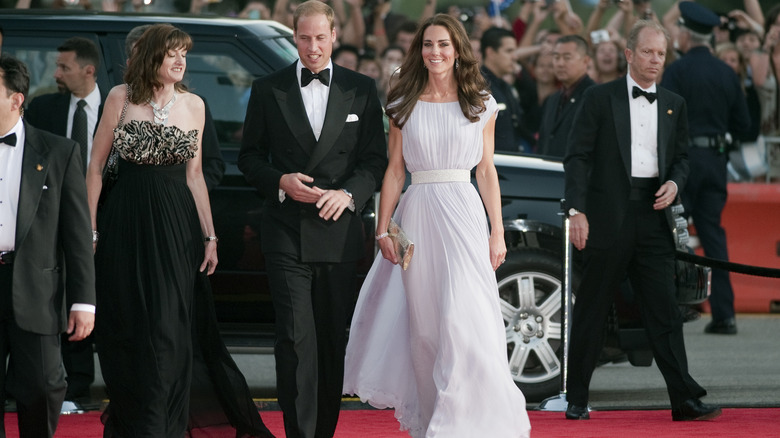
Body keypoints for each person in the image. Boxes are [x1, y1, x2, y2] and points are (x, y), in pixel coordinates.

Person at [342, 14, 531, 438]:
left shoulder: (481, 103)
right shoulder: (402, 102)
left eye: (444, 44)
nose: (436, 52)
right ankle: (432, 422)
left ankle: (467, 424)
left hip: (464, 213)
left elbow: (486, 171)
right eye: (428, 45)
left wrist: (496, 232)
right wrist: (383, 227)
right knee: (426, 330)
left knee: (468, 320)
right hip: (419, 215)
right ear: (419, 50)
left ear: (458, 49)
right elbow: (394, 171)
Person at [86, 24, 274, 437]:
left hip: (176, 228)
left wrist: (210, 237)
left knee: (170, 327)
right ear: (151, 56)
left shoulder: (195, 105)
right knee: (130, 324)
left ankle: (165, 424)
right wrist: (93, 229)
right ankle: (136, 422)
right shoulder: (120, 98)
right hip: (125, 223)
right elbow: (96, 167)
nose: (180, 61)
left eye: (183, 54)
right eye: (172, 53)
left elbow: (195, 177)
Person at [238, 1, 387, 437]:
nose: (313, 47)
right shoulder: (269, 88)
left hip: (338, 232)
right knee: (294, 336)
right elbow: (249, 157)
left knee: (328, 340)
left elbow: (375, 160)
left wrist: (348, 194)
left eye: (321, 38)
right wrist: (281, 180)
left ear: (335, 36)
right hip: (285, 229)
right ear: (294, 37)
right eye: (304, 38)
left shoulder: (361, 88)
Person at [563, 20, 721, 422]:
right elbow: (577, 156)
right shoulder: (599, 99)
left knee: (664, 310)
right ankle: (577, 397)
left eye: (661, 54)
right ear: (629, 54)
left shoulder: (673, 102)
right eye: (648, 52)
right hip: (606, 217)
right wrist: (576, 211)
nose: (655, 60)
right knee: (593, 308)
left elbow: (682, 158)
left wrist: (674, 182)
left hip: (654, 217)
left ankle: (683, 399)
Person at [0, 54, 95, 437]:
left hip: (36, 289)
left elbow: (76, 234)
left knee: (42, 387)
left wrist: (83, 301)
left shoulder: (58, 152)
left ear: (16, 99)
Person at [661, 1, 750, 335]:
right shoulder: (726, 73)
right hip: (715, 161)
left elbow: (665, 119)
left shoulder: (678, 72)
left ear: (685, 33)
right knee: (713, 237)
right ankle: (725, 314)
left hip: (684, 163)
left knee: (675, 238)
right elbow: (746, 126)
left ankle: (673, 311)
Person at [23, 36, 102, 409]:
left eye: (64, 67)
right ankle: (70, 386)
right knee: (60, 298)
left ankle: (88, 386)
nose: (56, 73)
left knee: (95, 301)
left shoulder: (119, 107)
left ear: (88, 70)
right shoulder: (44, 108)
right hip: (52, 224)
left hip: (109, 223)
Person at [125, 24, 225, 191]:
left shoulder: (195, 105)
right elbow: (101, 165)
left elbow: (208, 167)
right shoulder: (118, 101)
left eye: (183, 55)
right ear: (130, 62)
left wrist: (181, 195)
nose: (144, 62)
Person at [538, 35, 595, 158]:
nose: (560, 64)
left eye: (567, 58)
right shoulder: (552, 99)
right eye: (556, 57)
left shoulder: (596, 97)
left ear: (585, 61)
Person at [480, 26, 526, 153]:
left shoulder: (506, 88)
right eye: (508, 51)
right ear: (490, 52)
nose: (514, 57)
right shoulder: (477, 87)